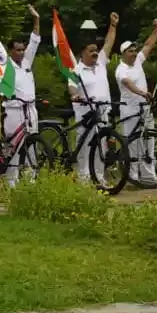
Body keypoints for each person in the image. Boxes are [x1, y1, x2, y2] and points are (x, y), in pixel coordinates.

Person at [68, 12, 118, 184]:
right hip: (86, 115)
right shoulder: (76, 70)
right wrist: (75, 95)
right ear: (83, 53)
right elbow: (72, 86)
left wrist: (113, 25)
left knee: (101, 146)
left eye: (96, 50)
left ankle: (99, 177)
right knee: (85, 146)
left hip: (103, 112)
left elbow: (109, 43)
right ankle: (83, 178)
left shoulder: (101, 63)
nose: (95, 53)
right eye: (92, 51)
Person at [115, 18, 157, 183]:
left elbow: (148, 45)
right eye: (130, 51)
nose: (134, 53)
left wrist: (156, 29)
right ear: (123, 54)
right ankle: (132, 175)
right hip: (130, 109)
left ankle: (149, 174)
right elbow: (128, 83)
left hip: (144, 108)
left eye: (134, 50)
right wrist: (143, 93)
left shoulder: (138, 62)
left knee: (149, 140)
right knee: (132, 143)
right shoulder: (121, 69)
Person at [1, 5, 41, 187]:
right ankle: (11, 181)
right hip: (13, 110)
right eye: (17, 50)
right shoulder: (5, 66)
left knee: (32, 143)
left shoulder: (26, 62)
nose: (21, 52)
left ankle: (31, 179)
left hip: (30, 109)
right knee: (13, 146)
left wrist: (36, 19)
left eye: (22, 49)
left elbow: (34, 41)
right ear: (10, 51)